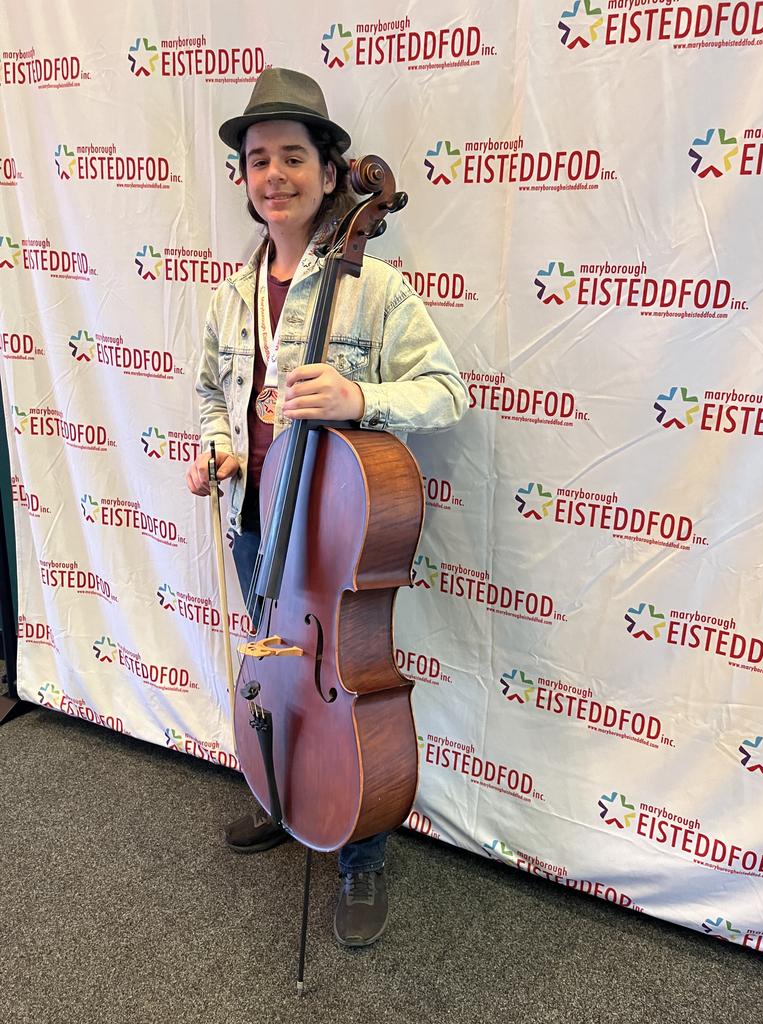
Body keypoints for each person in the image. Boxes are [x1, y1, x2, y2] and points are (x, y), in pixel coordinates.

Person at [185, 68, 467, 948]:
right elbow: (209, 395)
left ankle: (361, 851)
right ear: (244, 178)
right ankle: (280, 793)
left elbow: (447, 391)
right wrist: (217, 450)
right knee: (278, 677)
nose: (274, 174)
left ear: (332, 168)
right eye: (257, 159)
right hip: (256, 530)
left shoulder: (371, 288)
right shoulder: (230, 297)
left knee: (346, 688)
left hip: (335, 536)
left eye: (293, 157)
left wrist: (359, 395)